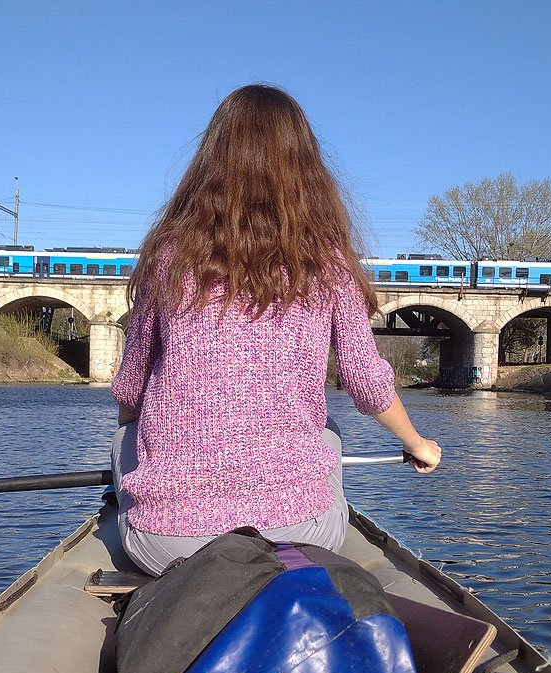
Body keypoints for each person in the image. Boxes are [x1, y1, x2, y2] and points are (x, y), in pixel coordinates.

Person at [111, 84, 441, 576]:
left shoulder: (169, 257)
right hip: (301, 536)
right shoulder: (327, 263)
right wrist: (417, 443)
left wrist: (150, 442)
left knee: (126, 438)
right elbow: (365, 381)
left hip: (170, 545)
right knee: (325, 435)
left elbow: (131, 388)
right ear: (305, 166)